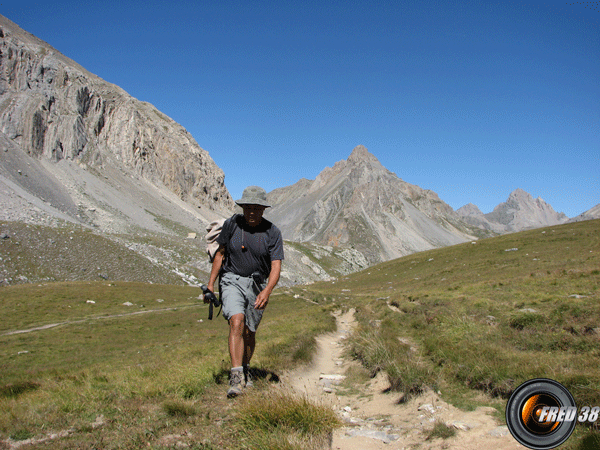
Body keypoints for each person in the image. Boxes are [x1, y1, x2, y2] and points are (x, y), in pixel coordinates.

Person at [206, 186, 284, 398]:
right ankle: (236, 378)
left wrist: (267, 290)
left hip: (257, 285)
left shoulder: (273, 233)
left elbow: (276, 266)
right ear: (242, 208)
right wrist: (211, 283)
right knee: (237, 321)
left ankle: (246, 366)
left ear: (263, 210)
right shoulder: (232, 224)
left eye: (256, 208)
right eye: (247, 207)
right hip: (231, 279)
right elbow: (220, 254)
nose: (251, 212)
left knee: (249, 332)